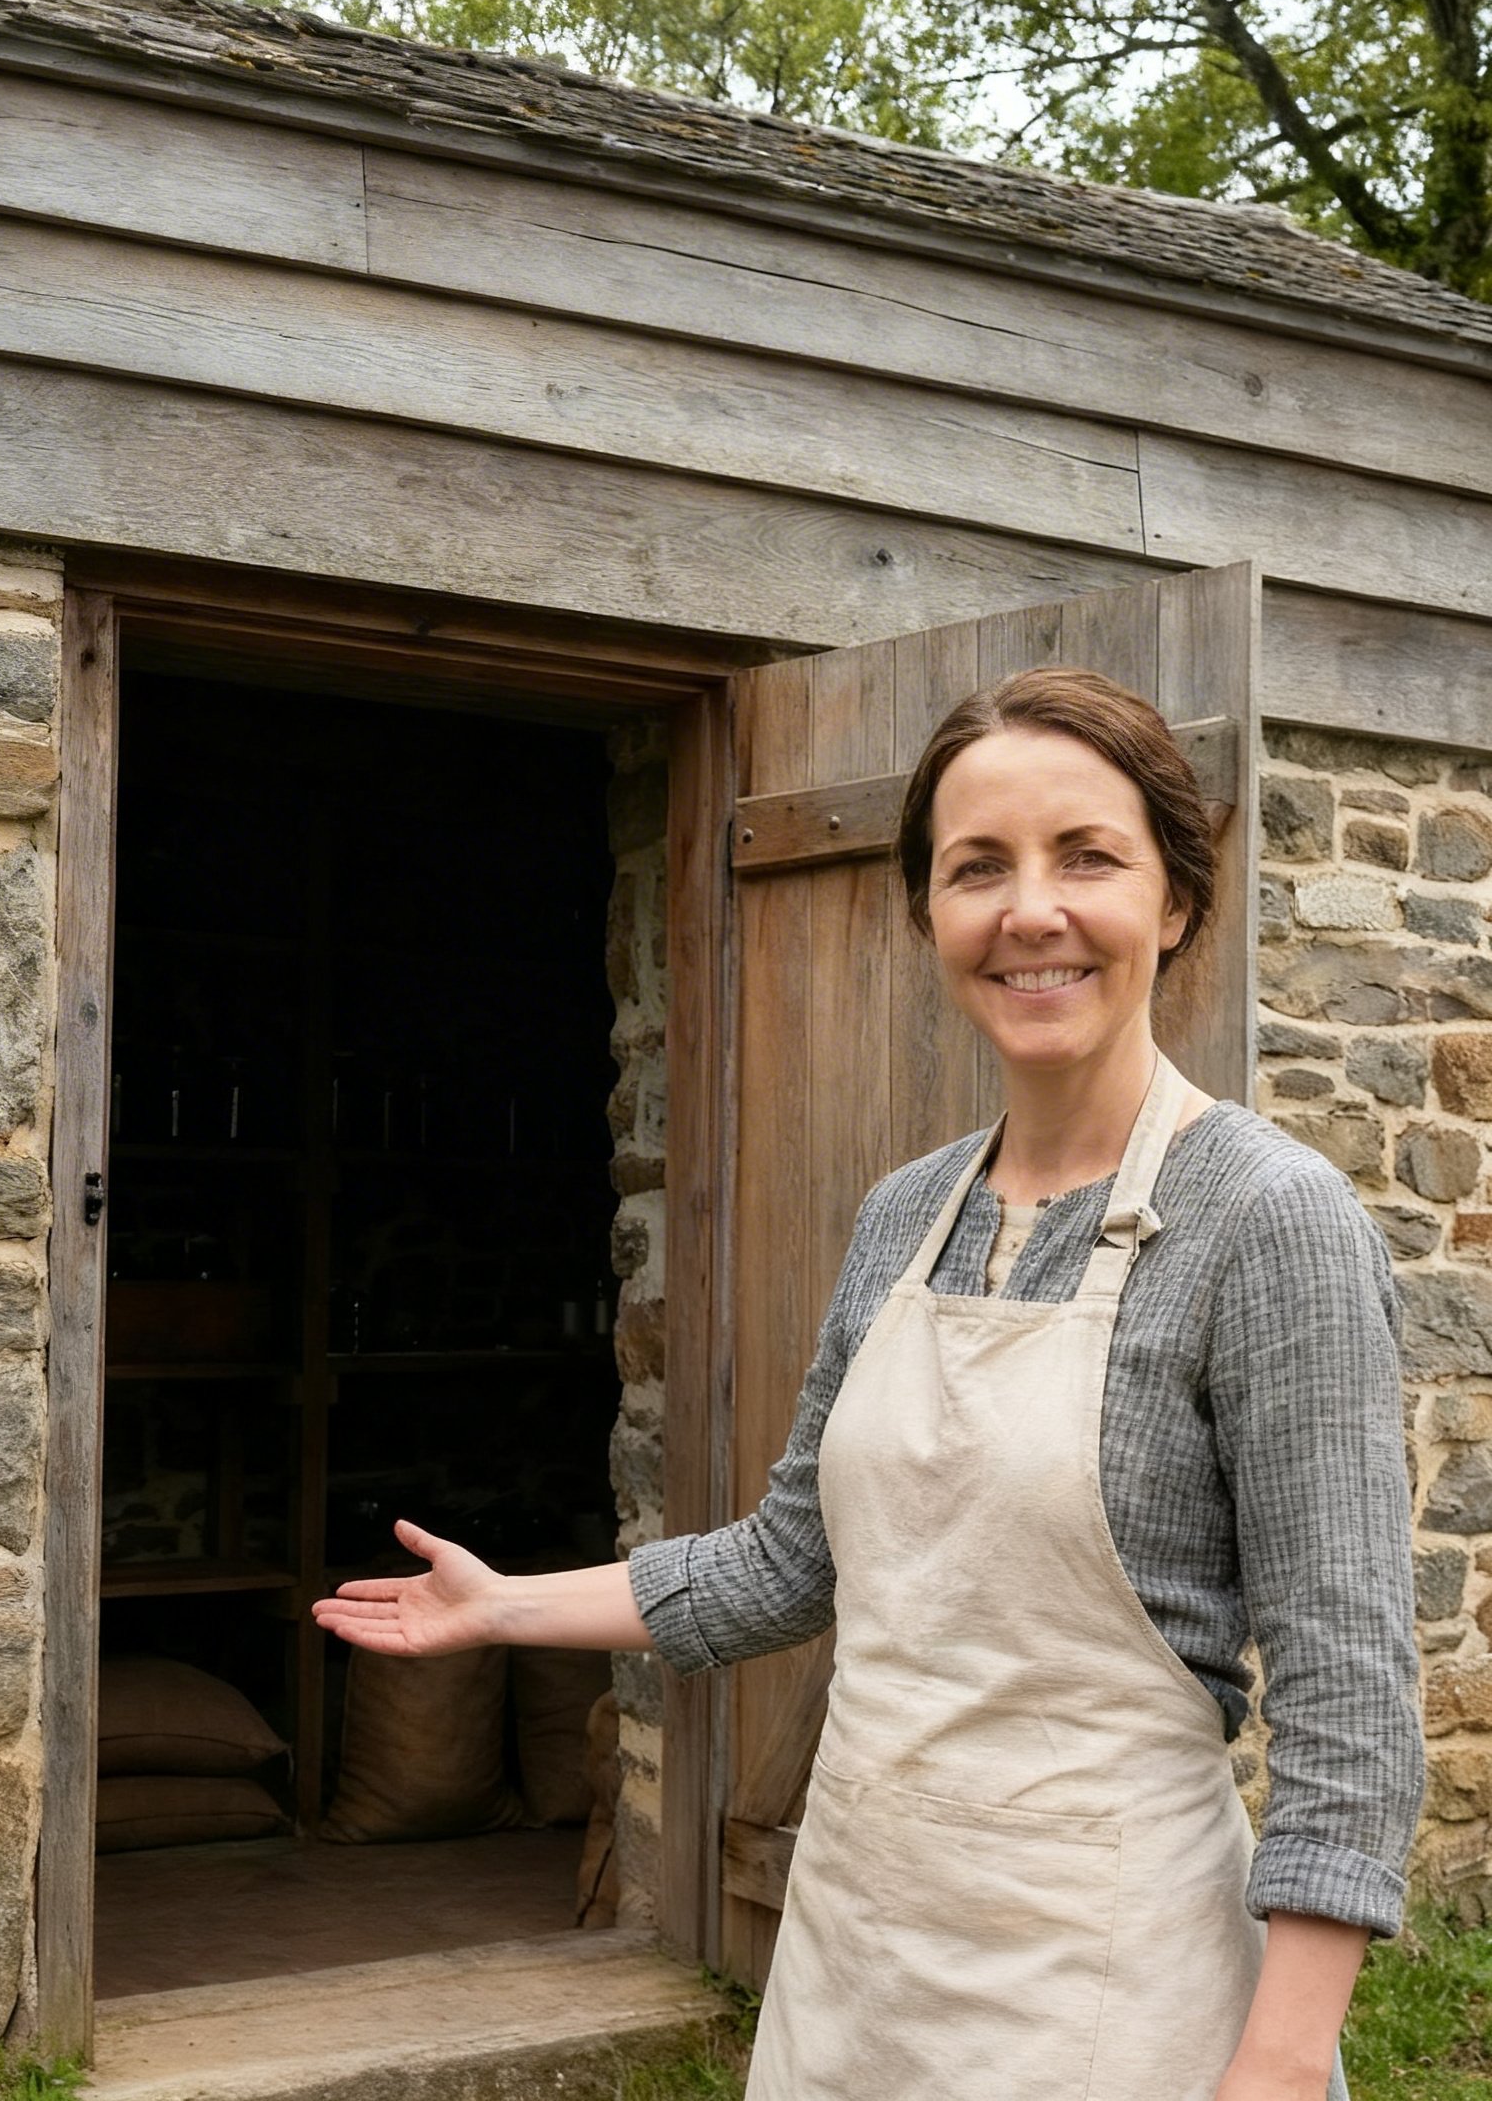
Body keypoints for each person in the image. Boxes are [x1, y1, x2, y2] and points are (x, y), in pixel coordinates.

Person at [315, 667, 1421, 2101]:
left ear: (1178, 901)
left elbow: (1350, 1699)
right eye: (978, 870)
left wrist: (1278, 2062)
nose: (1032, 910)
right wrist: (506, 1607)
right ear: (928, 918)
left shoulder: (1268, 1219)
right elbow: (793, 1564)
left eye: (1088, 857)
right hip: (861, 1964)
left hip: (1116, 1988)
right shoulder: (909, 1215)